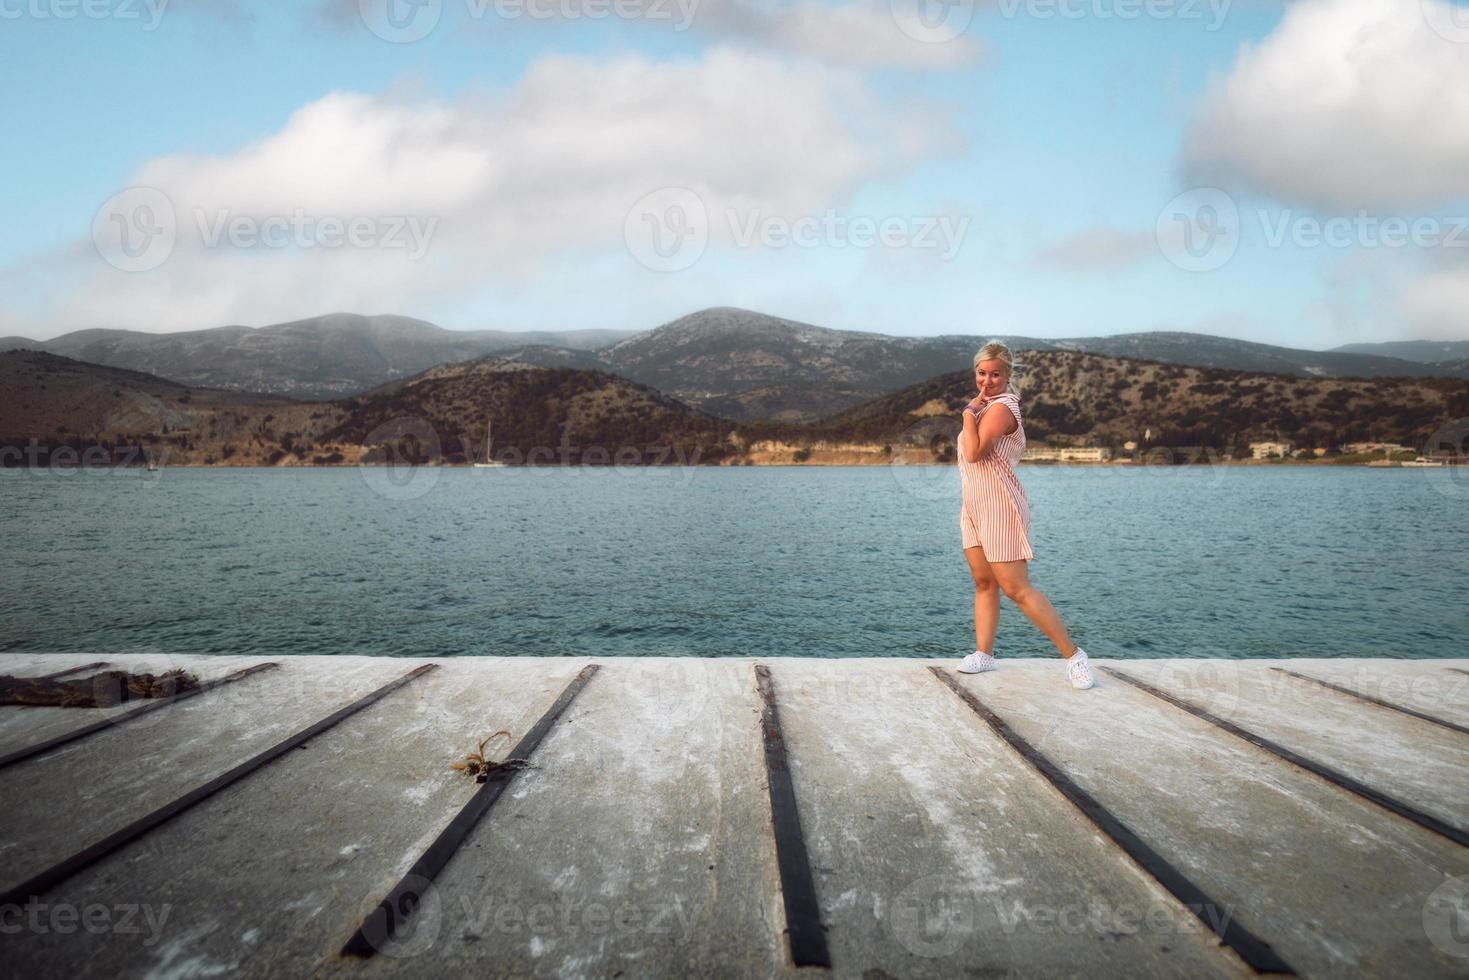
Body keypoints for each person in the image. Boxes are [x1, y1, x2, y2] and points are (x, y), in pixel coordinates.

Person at [955, 341, 1094, 689]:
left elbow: (973, 453)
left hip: (1000, 505)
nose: (987, 381)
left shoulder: (1001, 408)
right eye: (981, 373)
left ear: (1008, 375)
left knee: (1017, 589)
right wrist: (974, 411)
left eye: (995, 374)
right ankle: (984, 654)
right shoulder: (985, 406)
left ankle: (1074, 656)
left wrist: (967, 414)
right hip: (973, 505)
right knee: (983, 583)